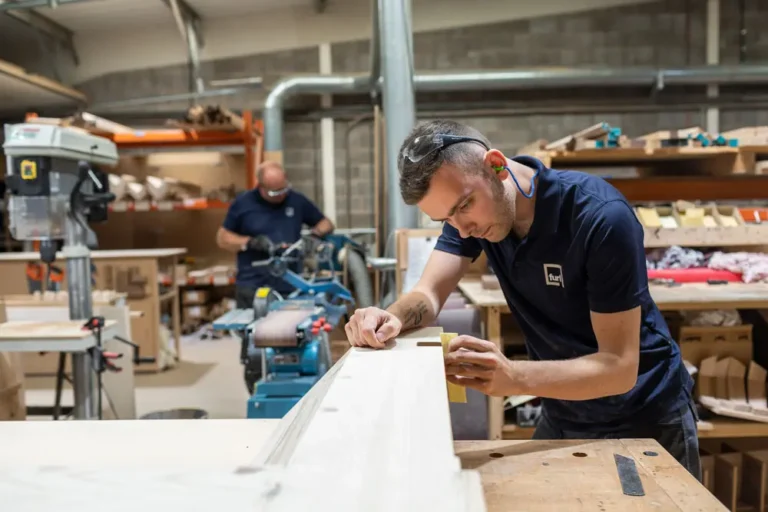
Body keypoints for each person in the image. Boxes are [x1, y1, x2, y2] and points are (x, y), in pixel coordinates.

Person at [345, 120, 700, 479]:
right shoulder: (472, 217)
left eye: (464, 206)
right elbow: (429, 293)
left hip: (644, 414)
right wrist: (391, 317)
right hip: (564, 410)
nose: (462, 229)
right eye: (446, 218)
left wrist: (514, 377)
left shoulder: (598, 216)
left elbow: (619, 369)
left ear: (496, 166)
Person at [217, 161, 334, 389]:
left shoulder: (296, 200)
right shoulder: (243, 204)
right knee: (255, 350)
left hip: (290, 287)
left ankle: (296, 394)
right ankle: (257, 392)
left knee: (294, 346)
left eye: (283, 189)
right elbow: (222, 238)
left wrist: (314, 235)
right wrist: (249, 242)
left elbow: (326, 223)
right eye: (273, 192)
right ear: (260, 186)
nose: (280, 195)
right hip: (253, 287)